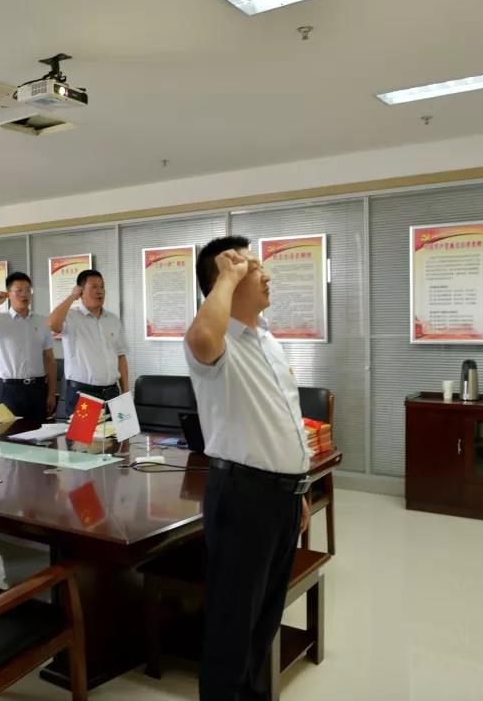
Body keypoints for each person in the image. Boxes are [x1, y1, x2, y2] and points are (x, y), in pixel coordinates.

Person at [184, 235, 311, 701]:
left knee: (263, 624)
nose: (266, 275)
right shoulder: (216, 344)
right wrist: (227, 276)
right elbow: (202, 338)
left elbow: (286, 420)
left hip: (281, 498)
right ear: (227, 278)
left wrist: (300, 490)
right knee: (232, 629)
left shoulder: (267, 340)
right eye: (254, 269)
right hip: (243, 497)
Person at [0, 272, 56, 421]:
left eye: (28, 290)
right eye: (19, 291)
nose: (24, 295)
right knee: (8, 432)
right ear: (9, 294)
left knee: (39, 433)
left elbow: (49, 359)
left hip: (37, 388)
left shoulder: (42, 321)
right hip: (9, 389)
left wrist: (51, 393)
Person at [46, 269, 128, 417]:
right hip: (84, 395)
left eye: (102, 287)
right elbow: (52, 323)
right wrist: (72, 297)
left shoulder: (113, 320)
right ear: (80, 291)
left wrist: (125, 392)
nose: (100, 291)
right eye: (94, 287)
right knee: (85, 433)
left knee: (116, 432)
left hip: (112, 393)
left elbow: (121, 356)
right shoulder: (71, 317)